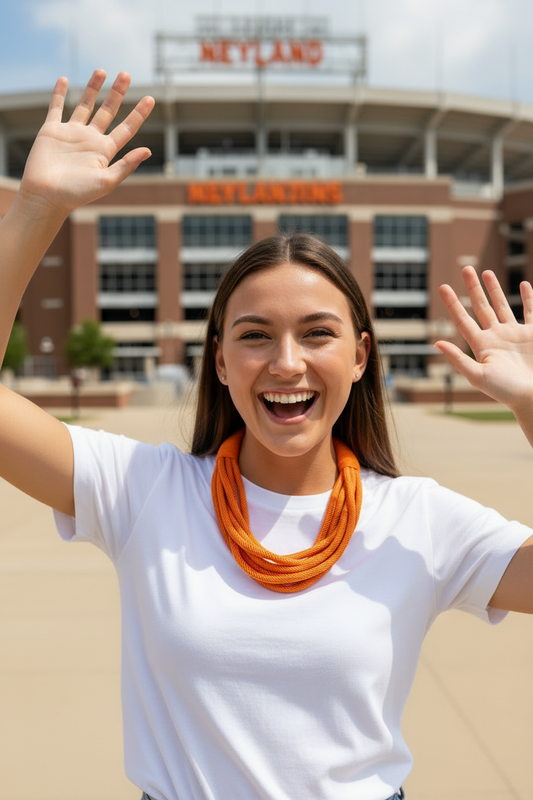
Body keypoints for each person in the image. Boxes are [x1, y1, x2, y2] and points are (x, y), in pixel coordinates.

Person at [0, 70, 532, 800]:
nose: (286, 363)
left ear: (359, 356)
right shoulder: (143, 490)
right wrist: (34, 208)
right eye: (254, 336)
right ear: (219, 361)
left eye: (317, 333)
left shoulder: (419, 519)